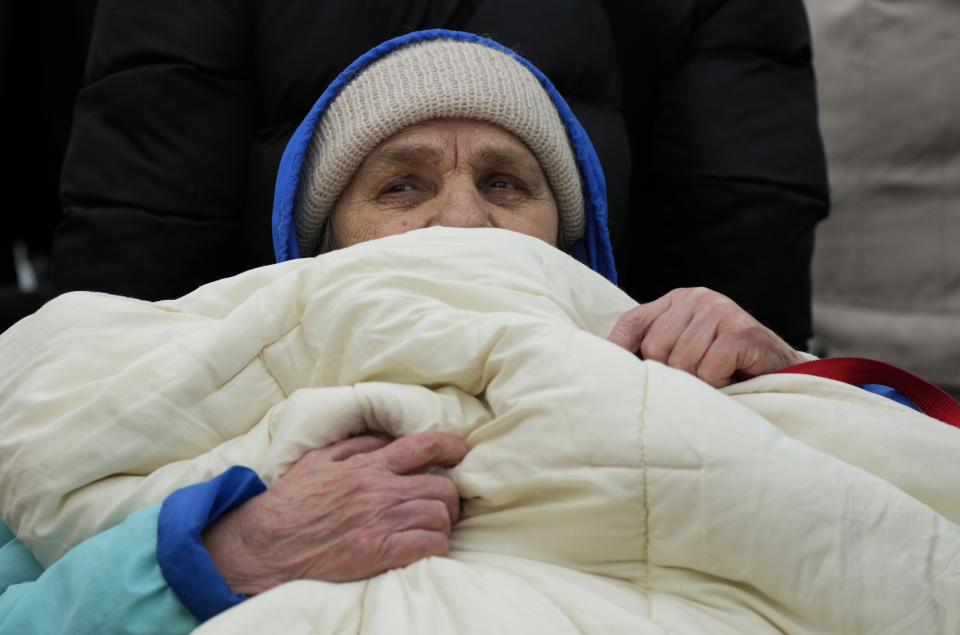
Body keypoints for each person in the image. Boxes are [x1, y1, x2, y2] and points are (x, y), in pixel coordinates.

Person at [0, 30, 807, 632]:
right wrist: (216, 557)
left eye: (504, 182)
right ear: (318, 253)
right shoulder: (147, 390)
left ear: (570, 250)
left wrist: (789, 381)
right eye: (401, 186)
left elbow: (902, 498)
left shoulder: (670, 361)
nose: (461, 218)